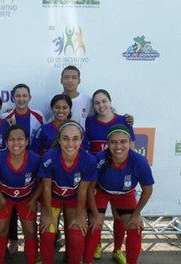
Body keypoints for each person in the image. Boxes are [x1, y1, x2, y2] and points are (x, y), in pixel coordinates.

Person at [83, 125, 154, 264]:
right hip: (101, 191)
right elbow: (89, 189)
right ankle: (87, 261)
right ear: (107, 144)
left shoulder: (139, 161)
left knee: (135, 227)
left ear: (130, 142)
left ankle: (118, 251)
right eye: (113, 142)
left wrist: (136, 215)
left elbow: (147, 190)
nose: (118, 146)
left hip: (125, 194)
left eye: (123, 141)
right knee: (95, 225)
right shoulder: (100, 159)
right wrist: (96, 215)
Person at [85, 89, 135, 262]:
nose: (101, 105)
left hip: (120, 179)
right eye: (97, 102)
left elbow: (132, 149)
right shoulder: (89, 122)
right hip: (98, 179)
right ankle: (97, 245)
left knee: (120, 217)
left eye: (104, 101)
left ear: (110, 101)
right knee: (95, 217)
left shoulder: (124, 120)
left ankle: (117, 249)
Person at [38, 120, 97, 264]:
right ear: (58, 139)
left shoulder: (89, 160)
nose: (70, 143)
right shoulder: (49, 158)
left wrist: (80, 215)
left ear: (82, 140)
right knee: (47, 234)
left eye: (75, 139)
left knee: (77, 235)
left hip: (74, 200)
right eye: (65, 138)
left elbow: (83, 190)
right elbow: (46, 188)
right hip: (53, 199)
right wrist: (47, 213)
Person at [0, 83, 45, 257]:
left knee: (30, 208)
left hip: (33, 167)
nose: (21, 99)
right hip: (12, 166)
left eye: (24, 95)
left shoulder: (39, 116)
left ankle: (34, 247)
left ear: (30, 98)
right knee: (10, 207)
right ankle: (13, 240)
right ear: (12, 98)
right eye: (17, 96)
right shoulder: (5, 116)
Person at [0, 124, 41, 264]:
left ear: (26, 141)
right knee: (1, 229)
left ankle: (31, 260)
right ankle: (0, 261)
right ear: (6, 143)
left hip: (27, 198)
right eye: (12, 139)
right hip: (4, 197)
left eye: (20, 139)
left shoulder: (35, 159)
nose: (16, 143)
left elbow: (41, 182)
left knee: (30, 231)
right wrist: (0, 198)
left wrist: (34, 200)